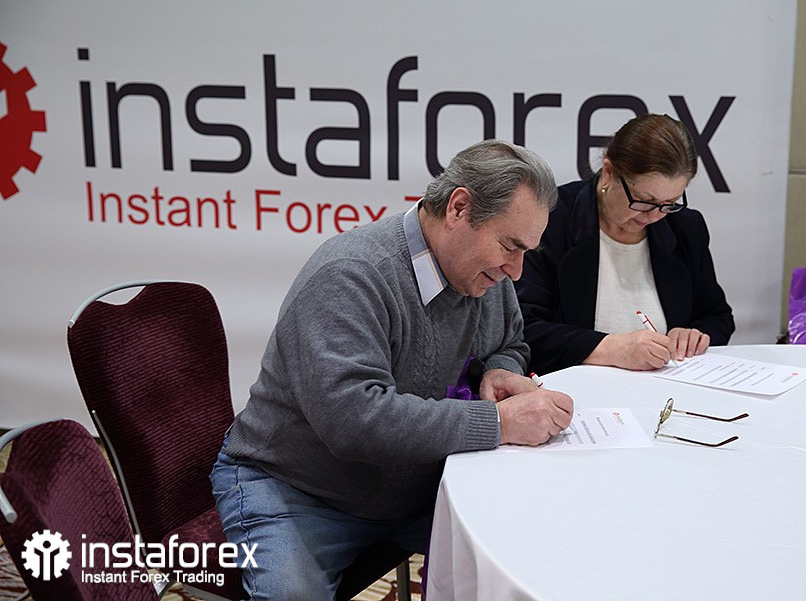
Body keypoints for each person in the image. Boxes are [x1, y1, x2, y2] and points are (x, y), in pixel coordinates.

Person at [211, 139, 574, 599]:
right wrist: (498, 422)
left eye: (526, 251)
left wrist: (498, 371)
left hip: (413, 487)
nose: (517, 271)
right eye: (509, 246)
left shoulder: (484, 271)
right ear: (459, 208)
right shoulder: (350, 274)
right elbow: (354, 420)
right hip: (299, 490)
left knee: (538, 546)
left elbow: (510, 342)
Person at [515, 113, 734, 375]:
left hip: (666, 389)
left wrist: (695, 335)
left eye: (669, 203)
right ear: (609, 173)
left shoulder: (685, 226)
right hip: (571, 389)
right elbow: (523, 328)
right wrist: (610, 348)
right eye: (644, 201)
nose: (654, 216)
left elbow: (717, 316)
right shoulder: (552, 218)